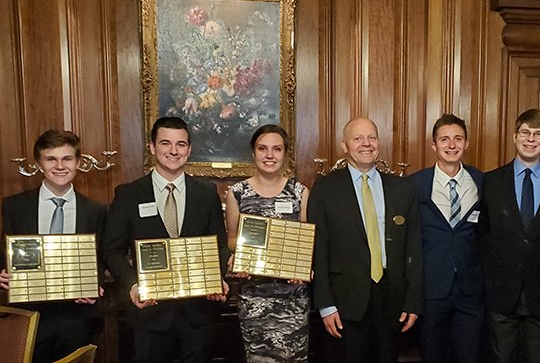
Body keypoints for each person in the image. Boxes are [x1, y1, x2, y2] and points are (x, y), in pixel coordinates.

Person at [101, 117, 229, 363]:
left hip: (198, 312)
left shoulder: (206, 193)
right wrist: (132, 284)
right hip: (149, 312)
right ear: (152, 147)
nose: (173, 151)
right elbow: (112, 250)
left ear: (189, 150)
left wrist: (218, 277)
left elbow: (218, 245)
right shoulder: (128, 194)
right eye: (165, 143)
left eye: (181, 145)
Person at [308, 117, 422, 363]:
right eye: (357, 138)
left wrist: (413, 301)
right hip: (344, 303)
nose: (366, 144)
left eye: (371, 137)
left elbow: (413, 247)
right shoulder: (325, 188)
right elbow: (319, 249)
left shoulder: (402, 189)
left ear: (379, 143)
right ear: (344, 145)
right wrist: (325, 305)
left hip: (391, 301)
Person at [478, 108, 540, 363]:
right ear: (515, 136)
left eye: (538, 134)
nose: (531, 139)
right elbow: (480, 236)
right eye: (526, 132)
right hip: (501, 294)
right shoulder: (490, 182)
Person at [0, 130, 105, 363]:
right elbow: (5, 251)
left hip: (77, 317)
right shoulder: (15, 206)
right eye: (51, 159)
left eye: (67, 159)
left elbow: (101, 258)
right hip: (29, 315)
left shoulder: (95, 211)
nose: (60, 166)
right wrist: (2, 272)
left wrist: (93, 283)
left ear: (78, 162)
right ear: (39, 163)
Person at [225, 124, 310, 362]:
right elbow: (232, 239)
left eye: (277, 149)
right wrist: (244, 253)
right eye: (263, 149)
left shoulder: (299, 192)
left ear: (285, 154)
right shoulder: (237, 192)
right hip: (255, 298)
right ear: (253, 153)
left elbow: (306, 240)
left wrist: (301, 263)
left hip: (292, 298)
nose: (269, 155)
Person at [408, 114, 484, 363]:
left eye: (458, 139)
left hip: (471, 290)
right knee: (432, 356)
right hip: (431, 290)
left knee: (469, 356)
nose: (452, 145)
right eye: (445, 140)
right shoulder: (414, 185)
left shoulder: (482, 181)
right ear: (434, 146)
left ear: (467, 143)